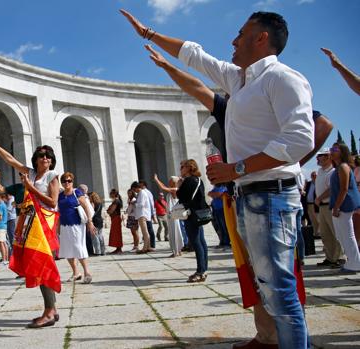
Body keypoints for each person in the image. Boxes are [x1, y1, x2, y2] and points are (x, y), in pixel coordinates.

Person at [122, 9, 314, 347]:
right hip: (249, 197)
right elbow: (196, 58)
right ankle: (269, 339)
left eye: (241, 33)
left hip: (271, 196)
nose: (233, 40)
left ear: (261, 38)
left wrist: (235, 169)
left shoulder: (283, 78)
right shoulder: (239, 81)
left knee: (282, 292)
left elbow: (301, 140)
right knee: (265, 286)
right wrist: (150, 34)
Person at [0, 126, 61, 329]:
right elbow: (9, 160)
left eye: (48, 156)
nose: (45, 159)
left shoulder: (52, 176)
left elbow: (52, 202)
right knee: (37, 265)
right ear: (36, 159)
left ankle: (49, 311)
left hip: (44, 224)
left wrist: (31, 188)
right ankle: (52, 310)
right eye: (41, 155)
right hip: (31, 224)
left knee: (41, 265)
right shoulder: (30, 173)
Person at [58, 172, 95, 282]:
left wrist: (90, 222)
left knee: (78, 247)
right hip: (64, 225)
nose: (67, 183)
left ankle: (86, 272)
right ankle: (76, 272)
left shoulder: (77, 193)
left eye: (69, 181)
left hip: (77, 225)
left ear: (72, 182)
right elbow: (59, 211)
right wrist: (57, 226)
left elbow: (86, 207)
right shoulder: (60, 195)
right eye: (64, 181)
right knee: (67, 249)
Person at [329, 143, 360, 272]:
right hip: (341, 205)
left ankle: (355, 263)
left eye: (334, 149)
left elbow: (344, 188)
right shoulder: (338, 168)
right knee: (341, 235)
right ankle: (353, 261)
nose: (331, 151)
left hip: (344, 205)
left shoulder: (343, 167)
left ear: (342, 152)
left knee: (347, 235)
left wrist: (337, 207)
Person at [176, 160, 209, 281]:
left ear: (189, 167)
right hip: (199, 213)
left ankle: (200, 271)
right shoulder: (198, 180)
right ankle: (204, 269)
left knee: (196, 242)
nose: (180, 169)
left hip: (191, 214)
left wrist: (179, 186)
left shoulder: (188, 181)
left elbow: (181, 197)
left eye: (182, 167)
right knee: (201, 241)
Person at [314, 148, 344, 267]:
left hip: (329, 205)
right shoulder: (321, 171)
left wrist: (319, 197)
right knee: (325, 234)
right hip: (322, 206)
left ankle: (339, 257)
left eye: (321, 156)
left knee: (335, 232)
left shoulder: (333, 171)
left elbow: (332, 189)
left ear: (327, 157)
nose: (318, 158)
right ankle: (330, 257)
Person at [154, 175, 184, 257]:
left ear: (174, 182)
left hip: (174, 215)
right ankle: (178, 250)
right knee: (174, 232)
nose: (168, 182)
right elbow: (163, 186)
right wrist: (158, 180)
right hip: (171, 215)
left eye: (170, 181)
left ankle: (176, 251)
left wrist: (156, 180)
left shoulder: (175, 189)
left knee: (175, 232)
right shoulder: (172, 189)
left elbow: (163, 188)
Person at [130, 182, 154, 254]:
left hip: (142, 214)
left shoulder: (142, 193)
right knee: (145, 231)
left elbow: (142, 204)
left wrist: (134, 203)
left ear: (136, 188)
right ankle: (148, 246)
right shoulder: (141, 193)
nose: (134, 191)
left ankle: (145, 248)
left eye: (134, 189)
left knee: (144, 232)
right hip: (141, 214)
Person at [208, 184, 231, 248]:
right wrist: (214, 194)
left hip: (222, 208)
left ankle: (226, 242)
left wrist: (214, 194)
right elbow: (209, 193)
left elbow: (218, 194)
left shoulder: (223, 186)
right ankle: (222, 241)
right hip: (215, 209)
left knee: (224, 226)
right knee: (219, 226)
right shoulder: (216, 186)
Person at [107, 189, 123, 254]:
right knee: (116, 233)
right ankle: (118, 248)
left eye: (111, 193)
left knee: (117, 233)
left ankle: (119, 248)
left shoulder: (116, 201)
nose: (110, 195)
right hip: (115, 218)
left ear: (114, 194)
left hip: (116, 218)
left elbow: (111, 210)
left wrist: (108, 211)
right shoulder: (116, 200)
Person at [89, 192, 105, 256]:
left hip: (95, 221)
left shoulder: (93, 204)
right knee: (100, 236)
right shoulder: (100, 203)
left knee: (95, 237)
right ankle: (103, 251)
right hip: (100, 220)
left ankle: (98, 251)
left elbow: (92, 212)